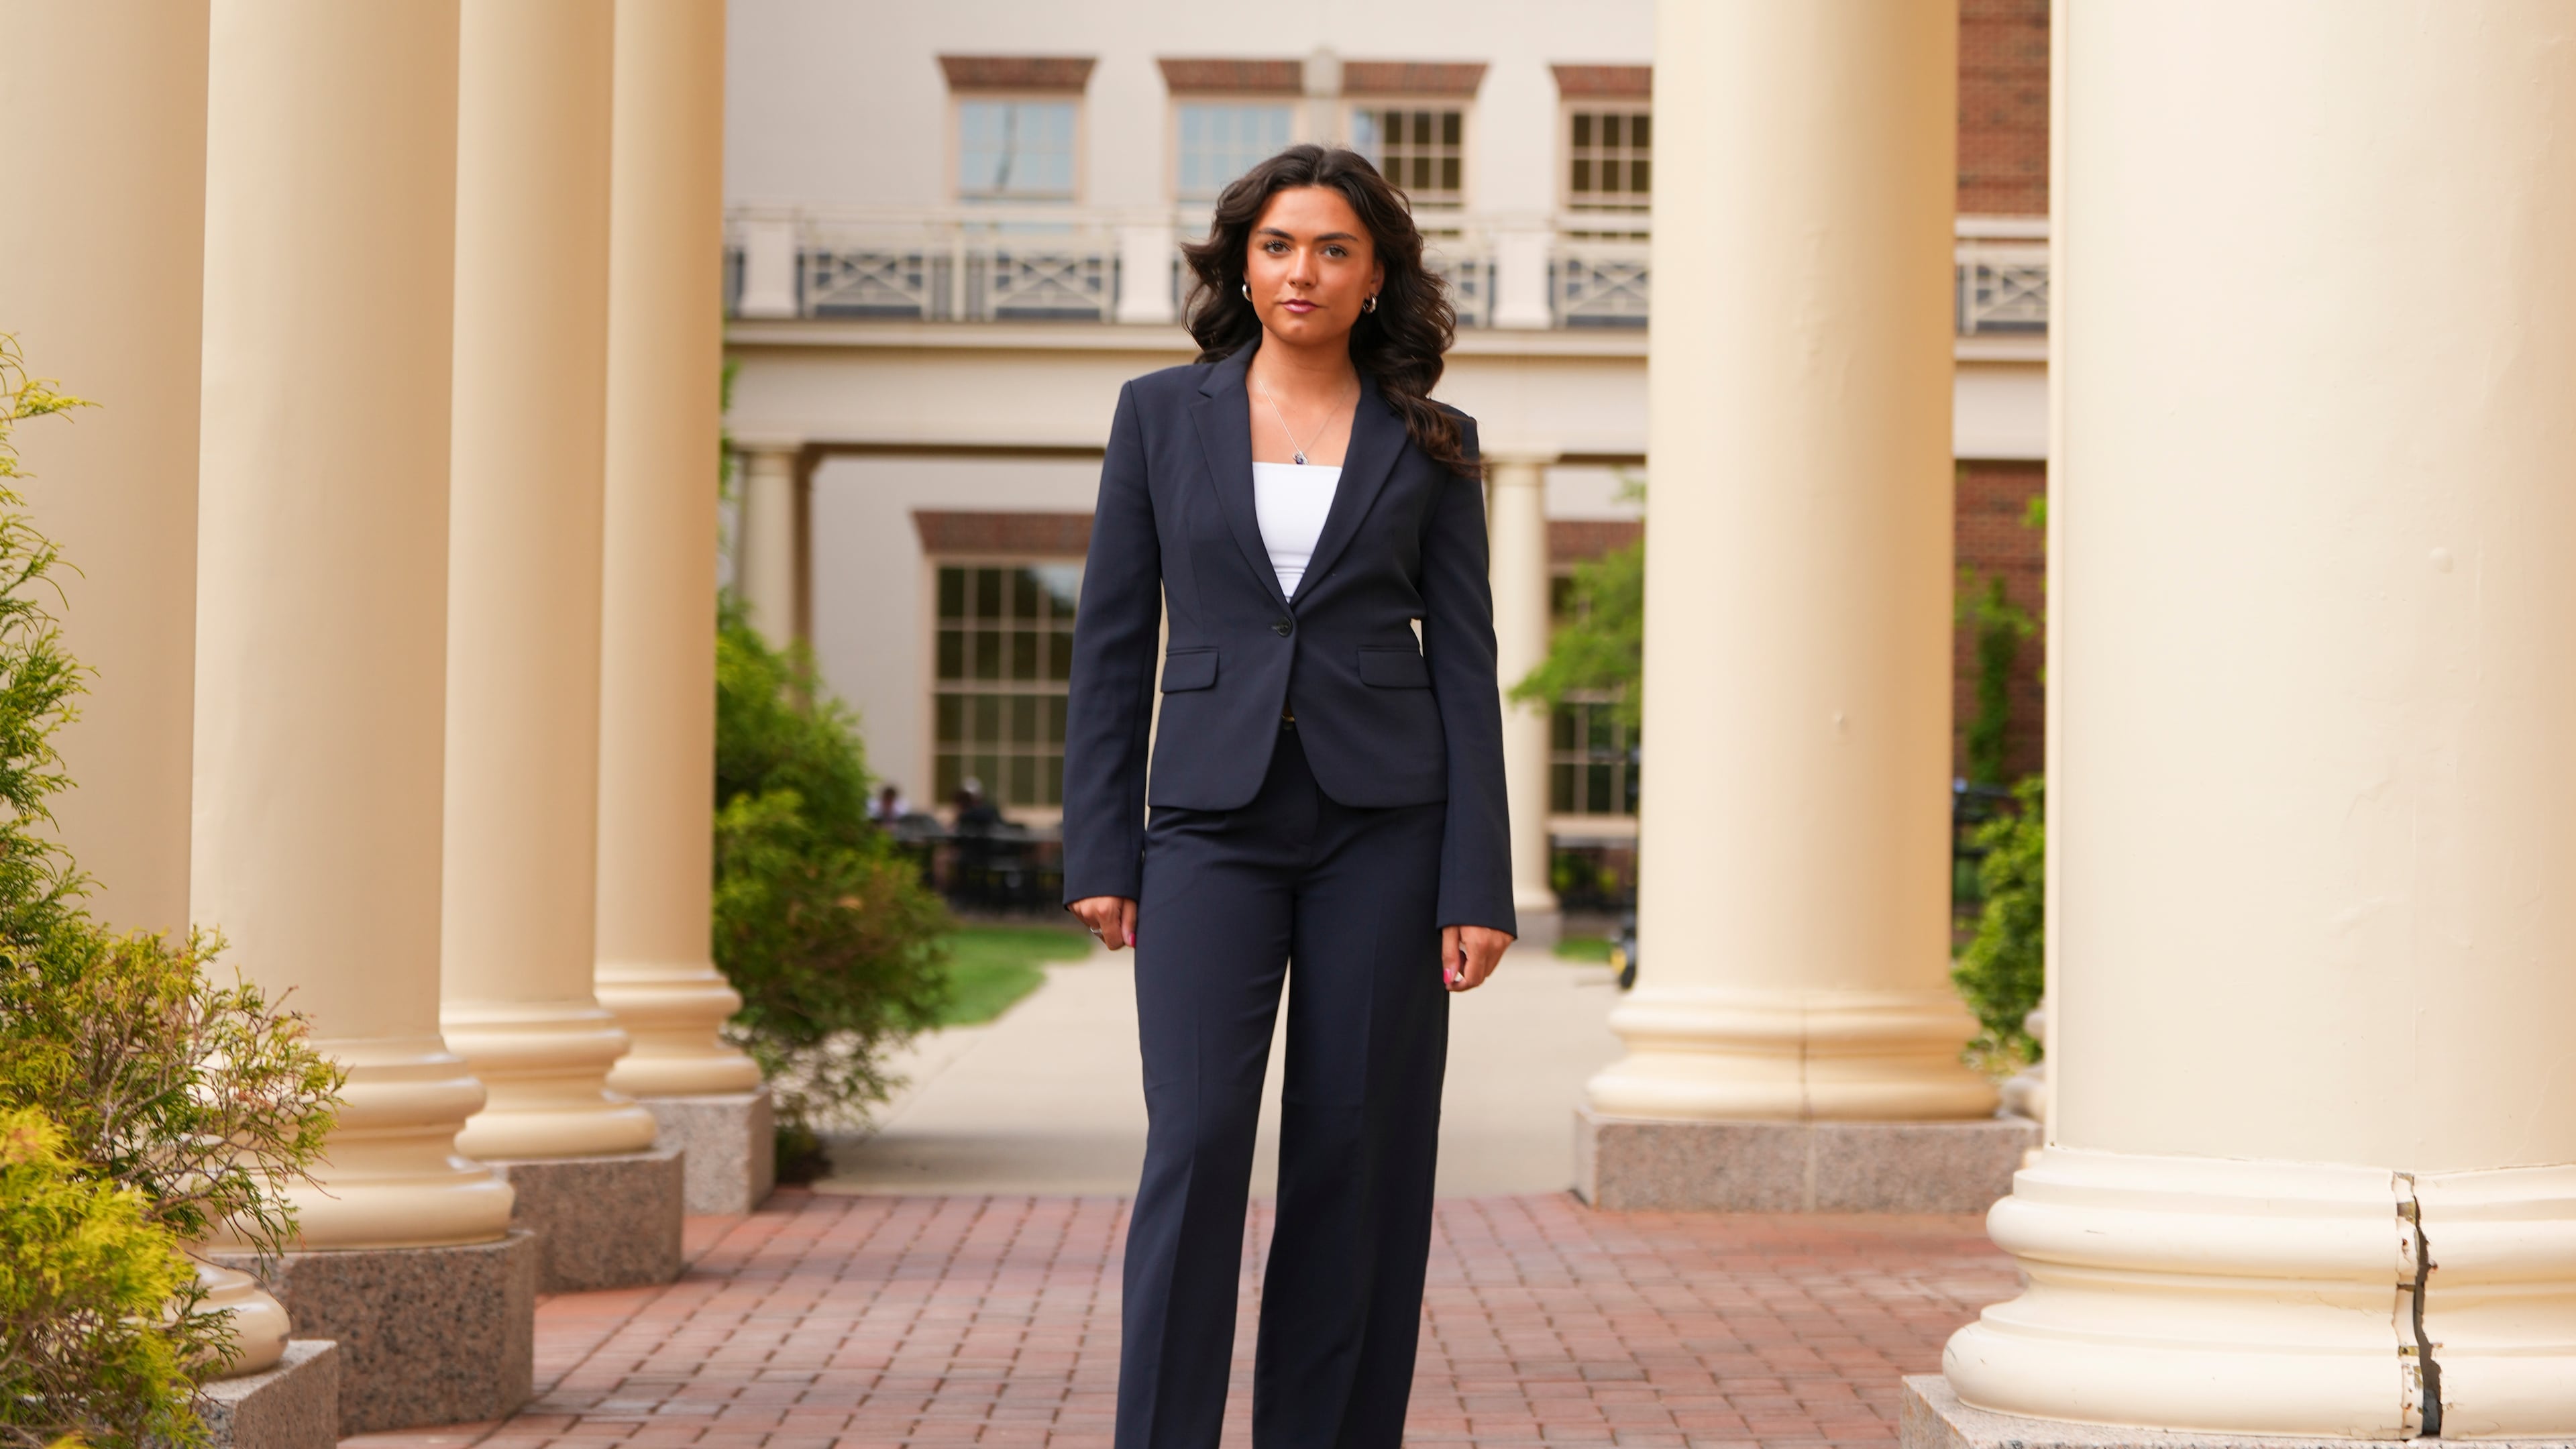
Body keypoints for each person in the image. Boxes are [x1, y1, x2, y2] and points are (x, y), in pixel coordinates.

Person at [1061, 144, 1515, 1449]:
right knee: (1199, 1140)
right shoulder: (1159, 416)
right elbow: (1111, 642)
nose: (1301, 270)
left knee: (1354, 1153)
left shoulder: (1433, 440)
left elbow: (1467, 666)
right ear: (1242, 265)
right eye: (1277, 245)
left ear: (1376, 277)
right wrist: (1103, 847)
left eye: (1332, 249)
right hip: (1210, 824)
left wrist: (1477, 880)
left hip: (1387, 830)